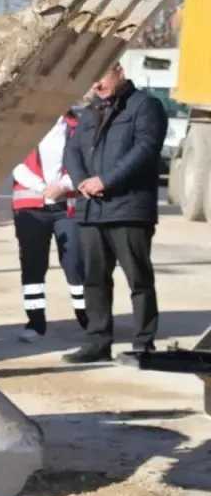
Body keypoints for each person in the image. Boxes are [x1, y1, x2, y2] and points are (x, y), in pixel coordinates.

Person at [63, 62, 168, 364]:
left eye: (101, 76)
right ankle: (98, 341)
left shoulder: (145, 106)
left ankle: (144, 343)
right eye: (91, 79)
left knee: (139, 279)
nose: (96, 85)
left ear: (119, 71)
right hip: (92, 210)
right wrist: (82, 181)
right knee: (94, 279)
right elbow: (73, 151)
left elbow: (145, 150)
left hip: (129, 209)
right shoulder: (90, 112)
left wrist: (106, 181)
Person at [12, 113, 89, 343]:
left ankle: (86, 317)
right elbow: (13, 162)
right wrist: (42, 187)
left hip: (67, 207)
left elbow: (84, 161)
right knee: (33, 266)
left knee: (74, 262)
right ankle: (35, 322)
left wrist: (63, 186)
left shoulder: (76, 127)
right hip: (30, 207)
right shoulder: (23, 126)